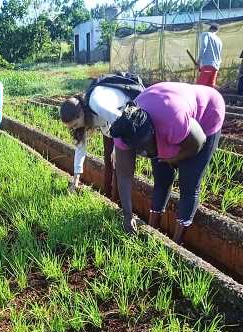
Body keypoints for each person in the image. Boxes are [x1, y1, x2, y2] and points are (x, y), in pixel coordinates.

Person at [110, 82, 225, 244]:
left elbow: (198, 142)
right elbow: (124, 175)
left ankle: (176, 244)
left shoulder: (173, 120)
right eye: (138, 150)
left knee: (188, 182)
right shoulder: (123, 132)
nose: (143, 154)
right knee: (162, 179)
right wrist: (127, 215)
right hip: (167, 107)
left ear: (152, 132)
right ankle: (152, 231)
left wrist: (175, 159)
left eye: (145, 148)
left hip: (206, 115)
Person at [59, 73, 145, 192]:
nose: (75, 128)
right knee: (108, 161)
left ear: (81, 113)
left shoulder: (97, 104)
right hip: (111, 125)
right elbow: (80, 149)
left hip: (128, 117)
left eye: (75, 125)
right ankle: (107, 193)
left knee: (118, 165)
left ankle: (117, 202)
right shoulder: (83, 117)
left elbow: (123, 122)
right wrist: (76, 179)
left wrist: (117, 148)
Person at [196, 23, 222, 88]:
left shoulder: (206, 34)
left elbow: (204, 47)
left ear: (210, 28)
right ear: (217, 30)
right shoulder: (219, 40)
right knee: (210, 87)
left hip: (208, 64)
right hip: (216, 66)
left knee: (199, 86)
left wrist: (199, 61)